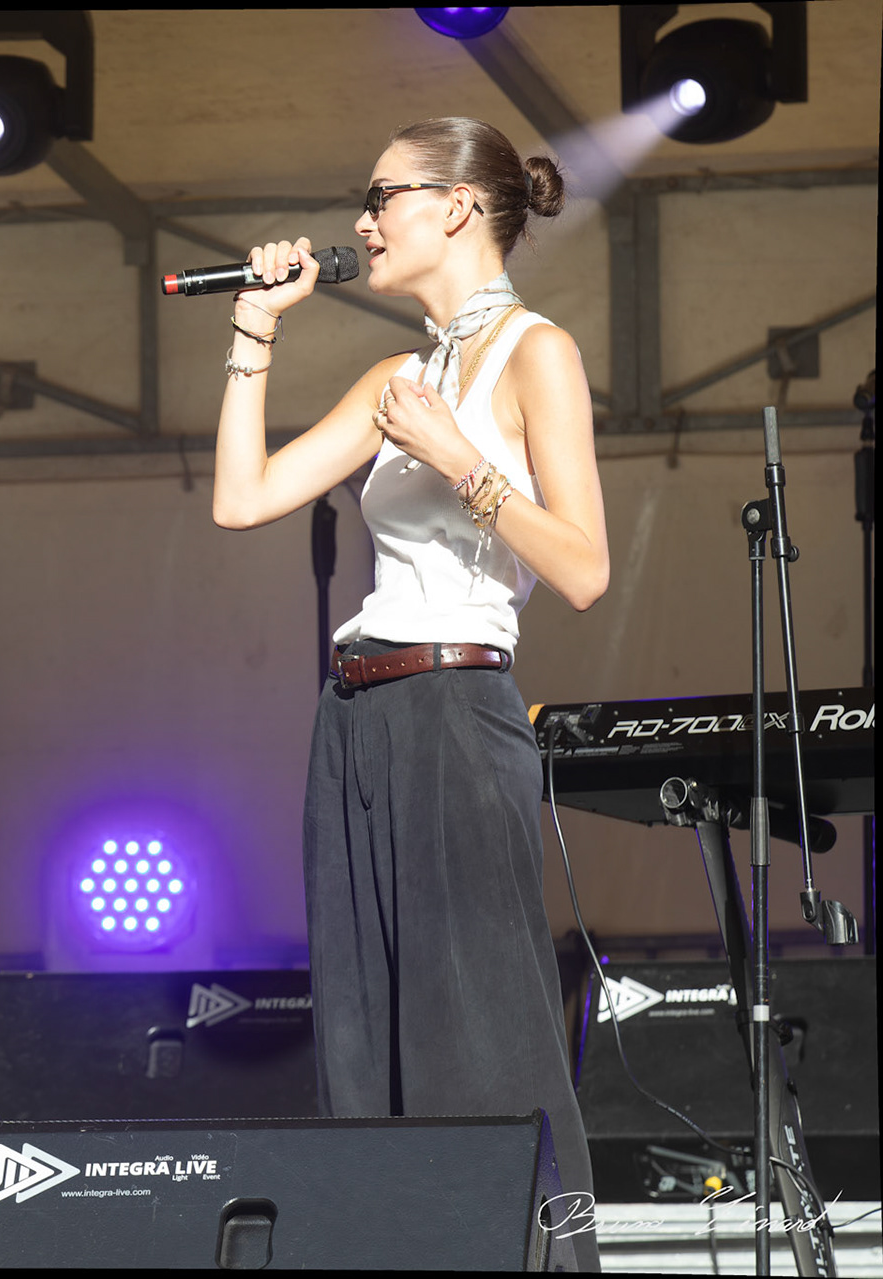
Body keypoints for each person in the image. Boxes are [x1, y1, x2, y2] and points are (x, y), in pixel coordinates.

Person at [210, 118, 609, 1268]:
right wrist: (255, 326)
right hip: (357, 719)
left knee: (483, 1035)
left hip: (455, 710)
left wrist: (461, 461)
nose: (363, 220)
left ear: (456, 206)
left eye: (381, 196)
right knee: (362, 1039)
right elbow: (243, 498)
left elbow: (584, 568)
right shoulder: (396, 376)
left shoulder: (537, 353)